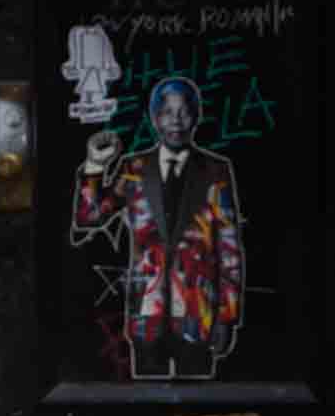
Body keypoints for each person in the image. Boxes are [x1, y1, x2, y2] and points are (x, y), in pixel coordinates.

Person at [71, 76, 244, 379]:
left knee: (197, 406)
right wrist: (95, 167)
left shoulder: (215, 171)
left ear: (196, 116)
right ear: (155, 117)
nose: (176, 121)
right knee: (144, 403)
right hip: (145, 315)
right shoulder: (134, 169)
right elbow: (89, 218)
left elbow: (229, 250)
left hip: (198, 315)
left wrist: (227, 317)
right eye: (167, 112)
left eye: (184, 111)